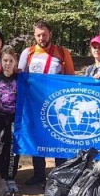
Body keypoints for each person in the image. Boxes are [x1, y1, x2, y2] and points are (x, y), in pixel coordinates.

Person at [17, 20, 74, 186]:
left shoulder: (62, 53)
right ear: (34, 36)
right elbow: (22, 78)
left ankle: (61, 174)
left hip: (58, 104)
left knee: (59, 136)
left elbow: (70, 77)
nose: (42, 38)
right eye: (38, 35)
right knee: (38, 138)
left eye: (44, 34)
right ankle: (39, 174)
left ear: (50, 34)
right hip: (35, 104)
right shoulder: (28, 53)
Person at [0, 48, 20, 191]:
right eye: (5, 60)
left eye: (11, 61)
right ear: (1, 62)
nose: (8, 63)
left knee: (13, 148)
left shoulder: (20, 79)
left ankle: (11, 178)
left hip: (15, 119)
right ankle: (0, 177)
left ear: (15, 62)